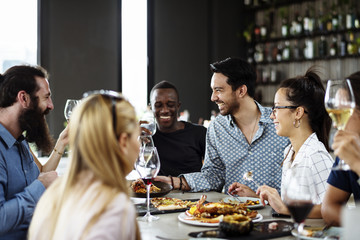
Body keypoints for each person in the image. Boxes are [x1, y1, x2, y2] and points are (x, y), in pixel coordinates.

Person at [155, 57, 289, 194]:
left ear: (241, 91)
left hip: (278, 213)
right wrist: (176, 182)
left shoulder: (280, 122)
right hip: (234, 213)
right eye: (213, 90)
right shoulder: (217, 128)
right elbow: (214, 176)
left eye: (219, 90)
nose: (213, 97)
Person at [28, 90, 141, 240]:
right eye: (137, 136)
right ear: (123, 141)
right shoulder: (113, 209)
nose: (139, 146)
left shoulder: (53, 194)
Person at [249, 68, 333, 218]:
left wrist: (286, 209)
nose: (272, 115)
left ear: (298, 113)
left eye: (277, 108)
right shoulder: (289, 152)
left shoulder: (316, 155)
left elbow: (331, 209)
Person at [0, 65, 68, 239]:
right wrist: (41, 187)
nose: (51, 106)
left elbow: (41, 176)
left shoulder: (19, 140)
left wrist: (62, 143)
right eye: (46, 97)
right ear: (24, 98)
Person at [322, 71, 360, 226]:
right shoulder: (347, 150)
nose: (336, 122)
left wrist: (357, 164)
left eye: (345, 110)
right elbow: (329, 208)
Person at [150, 80, 206, 176]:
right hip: (158, 190)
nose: (165, 110)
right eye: (158, 105)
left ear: (178, 106)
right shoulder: (148, 136)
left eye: (170, 105)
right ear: (151, 107)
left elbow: (214, 173)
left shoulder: (199, 133)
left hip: (193, 191)